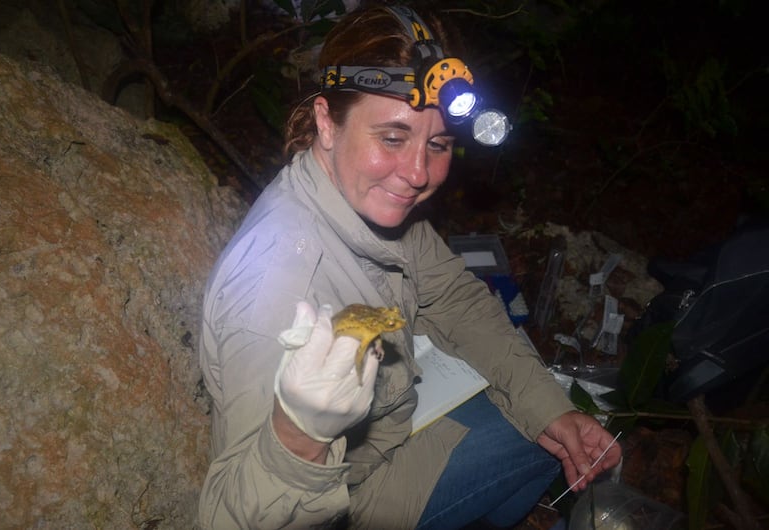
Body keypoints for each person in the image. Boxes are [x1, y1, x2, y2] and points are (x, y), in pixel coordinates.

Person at [197, 5, 621, 529]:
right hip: (344, 503)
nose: (418, 174)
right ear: (327, 121)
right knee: (541, 447)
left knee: (557, 422)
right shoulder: (275, 287)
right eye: (392, 138)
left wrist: (549, 408)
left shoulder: (372, 203)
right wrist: (299, 435)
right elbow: (225, 518)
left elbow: (455, 299)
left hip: (395, 430)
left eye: (438, 144)